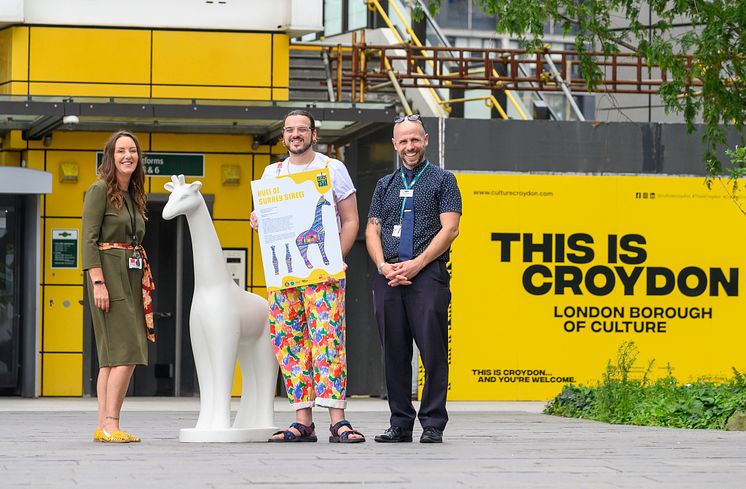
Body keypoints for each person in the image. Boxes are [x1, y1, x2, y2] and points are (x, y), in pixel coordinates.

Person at [250, 110, 364, 443]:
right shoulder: (272, 173)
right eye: (289, 130)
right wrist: (258, 218)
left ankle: (337, 420)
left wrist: (336, 260)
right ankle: (302, 420)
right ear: (283, 136)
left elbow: (351, 220)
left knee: (327, 341)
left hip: (324, 275)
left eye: (302, 129)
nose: (295, 134)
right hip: (285, 277)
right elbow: (269, 220)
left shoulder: (332, 169)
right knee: (289, 341)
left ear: (314, 134)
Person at [365, 114, 462, 443]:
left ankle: (433, 423)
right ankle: (400, 424)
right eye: (403, 141)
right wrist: (382, 266)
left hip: (427, 275)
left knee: (433, 350)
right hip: (389, 277)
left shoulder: (443, 180)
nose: (410, 146)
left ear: (426, 140)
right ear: (395, 144)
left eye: (415, 139)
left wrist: (418, 264)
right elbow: (372, 229)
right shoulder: (384, 185)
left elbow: (450, 228)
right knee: (393, 352)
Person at [82, 131, 155, 444]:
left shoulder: (131, 194)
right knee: (127, 351)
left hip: (130, 273)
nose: (128, 156)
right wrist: (98, 282)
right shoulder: (99, 189)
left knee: (112, 357)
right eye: (121, 151)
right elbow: (87, 240)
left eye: (133, 151)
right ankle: (112, 423)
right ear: (110, 157)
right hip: (108, 274)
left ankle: (103, 426)